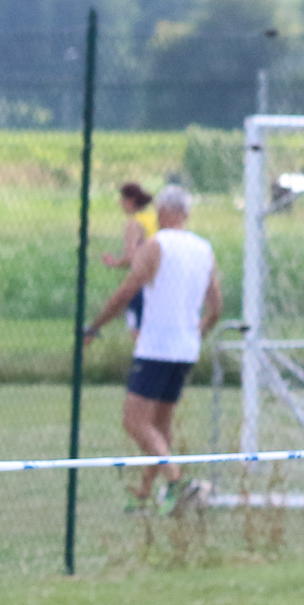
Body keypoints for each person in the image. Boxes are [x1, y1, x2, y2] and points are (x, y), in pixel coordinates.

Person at [83, 185, 220, 511]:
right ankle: (146, 493)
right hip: (186, 350)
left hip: (156, 348)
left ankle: (176, 480)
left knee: (134, 421)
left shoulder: (156, 245)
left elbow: (126, 292)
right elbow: (216, 306)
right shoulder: (204, 249)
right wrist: (198, 333)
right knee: (160, 425)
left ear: (163, 211)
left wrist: (95, 325)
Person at [103, 181, 157, 330]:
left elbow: (133, 257)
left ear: (131, 201)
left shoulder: (133, 223)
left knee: (137, 330)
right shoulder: (154, 218)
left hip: (142, 281)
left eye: (122, 199)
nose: (119, 203)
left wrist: (114, 262)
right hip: (159, 278)